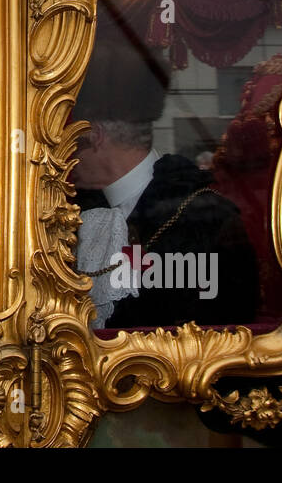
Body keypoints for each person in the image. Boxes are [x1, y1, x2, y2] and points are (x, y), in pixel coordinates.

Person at [72, 36, 259, 329]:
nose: (67, 156)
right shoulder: (71, 211)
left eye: (72, 141)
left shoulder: (205, 216)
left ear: (94, 136)